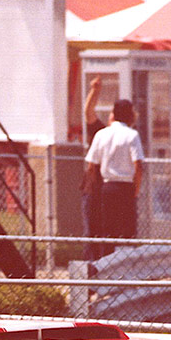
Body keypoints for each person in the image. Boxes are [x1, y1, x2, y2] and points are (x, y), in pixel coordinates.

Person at [84, 99, 144, 250]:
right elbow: (138, 166)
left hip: (107, 187)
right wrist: (136, 190)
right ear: (129, 115)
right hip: (126, 188)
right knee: (127, 230)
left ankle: (107, 265)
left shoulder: (101, 134)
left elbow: (91, 165)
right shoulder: (132, 135)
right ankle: (126, 267)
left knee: (108, 231)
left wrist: (97, 189)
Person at [80, 76, 106, 252]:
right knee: (92, 232)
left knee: (108, 232)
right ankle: (92, 268)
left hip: (111, 191)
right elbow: (88, 112)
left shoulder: (128, 137)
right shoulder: (101, 131)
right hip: (94, 187)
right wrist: (95, 91)